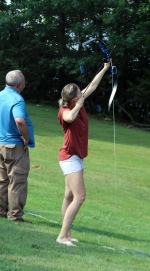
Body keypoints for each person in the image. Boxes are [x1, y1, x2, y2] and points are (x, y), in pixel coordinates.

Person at [56, 61, 110, 247]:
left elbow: (93, 85)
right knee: (80, 197)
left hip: (75, 156)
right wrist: (79, 105)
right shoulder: (65, 110)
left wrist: (104, 68)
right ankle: (62, 236)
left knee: (69, 196)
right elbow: (69, 118)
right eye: (79, 92)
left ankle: (67, 233)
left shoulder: (77, 100)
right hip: (69, 157)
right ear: (72, 99)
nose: (83, 92)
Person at [0, 70, 35, 221]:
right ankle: (15, 216)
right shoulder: (17, 99)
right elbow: (19, 120)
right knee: (17, 180)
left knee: (2, 180)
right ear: (20, 84)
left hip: (1, 143)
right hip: (14, 146)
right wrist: (26, 138)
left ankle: (1, 211)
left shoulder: (1, 95)